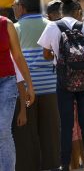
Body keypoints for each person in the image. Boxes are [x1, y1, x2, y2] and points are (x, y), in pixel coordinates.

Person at [37, 0, 84, 171]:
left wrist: (59, 57)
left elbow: (46, 54)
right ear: (78, 12)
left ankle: (64, 164)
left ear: (61, 12)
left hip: (64, 80)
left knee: (66, 124)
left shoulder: (53, 26)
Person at [11, 0, 61, 171]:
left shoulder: (14, 29)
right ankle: (52, 166)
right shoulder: (51, 25)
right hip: (50, 87)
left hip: (24, 89)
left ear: (22, 8)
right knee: (50, 133)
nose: (13, 9)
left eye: (14, 5)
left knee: (25, 135)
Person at [0, 15, 34, 171]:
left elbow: (18, 56)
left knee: (3, 130)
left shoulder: (6, 24)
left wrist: (30, 86)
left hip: (7, 82)